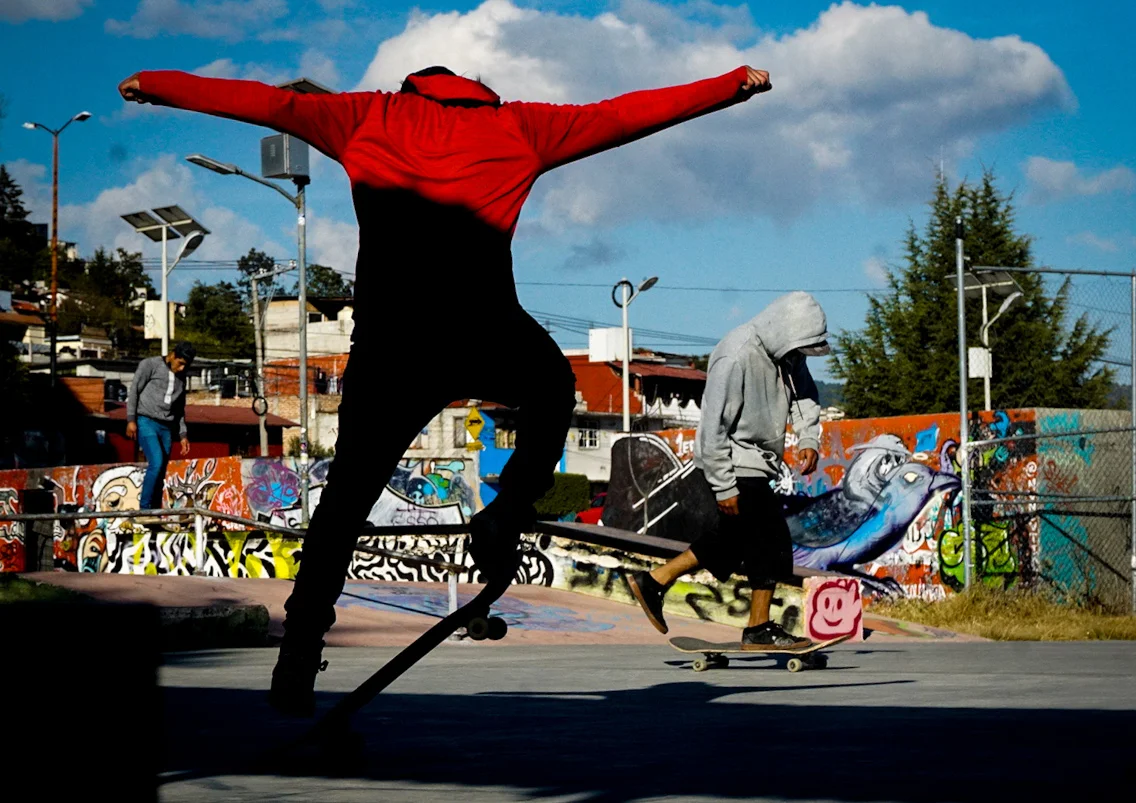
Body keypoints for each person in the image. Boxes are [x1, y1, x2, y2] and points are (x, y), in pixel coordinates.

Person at [118, 61, 773, 716]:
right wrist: (730, 85)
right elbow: (623, 114)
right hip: (485, 332)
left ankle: (298, 655)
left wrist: (157, 83)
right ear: (480, 94)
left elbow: (264, 104)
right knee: (552, 386)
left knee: (343, 504)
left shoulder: (363, 115)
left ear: (410, 88)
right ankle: (507, 512)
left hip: (393, 347)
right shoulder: (519, 124)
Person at [626, 292, 828, 649]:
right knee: (771, 539)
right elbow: (712, 427)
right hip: (732, 460)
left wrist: (808, 437)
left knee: (734, 540)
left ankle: (655, 580)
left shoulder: (788, 351)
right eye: (797, 351)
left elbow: (804, 394)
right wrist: (724, 487)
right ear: (784, 331)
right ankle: (758, 629)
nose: (798, 359)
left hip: (759, 461)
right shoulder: (736, 355)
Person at [126, 342, 196, 513]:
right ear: (173, 355)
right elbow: (134, 390)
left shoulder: (182, 378)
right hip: (146, 421)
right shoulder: (150, 365)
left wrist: (183, 434)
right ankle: (144, 509)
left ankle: (155, 511)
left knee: (162, 468)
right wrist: (131, 419)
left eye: (185, 366)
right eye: (180, 363)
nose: (181, 369)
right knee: (155, 461)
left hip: (167, 427)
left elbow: (180, 408)